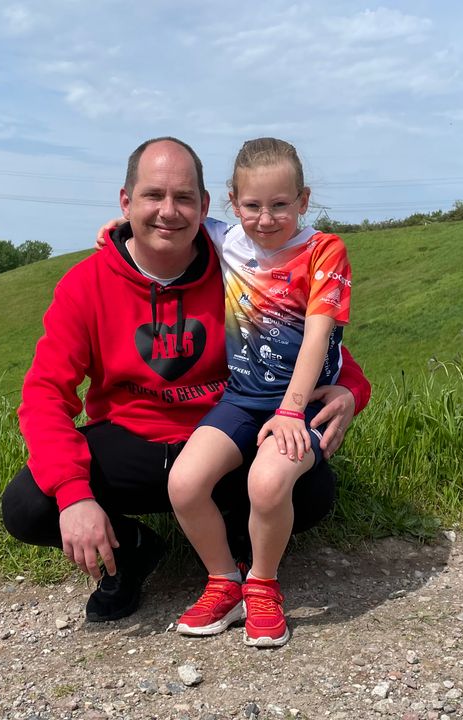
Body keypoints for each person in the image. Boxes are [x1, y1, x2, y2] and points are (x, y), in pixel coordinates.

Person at [1, 137, 371, 626]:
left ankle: (242, 557)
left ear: (207, 207)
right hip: (132, 443)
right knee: (30, 505)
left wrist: (351, 390)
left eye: (183, 199)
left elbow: (308, 342)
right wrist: (75, 494)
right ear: (125, 201)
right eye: (153, 196)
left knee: (312, 488)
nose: (168, 212)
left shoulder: (236, 259)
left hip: (225, 436)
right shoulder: (84, 283)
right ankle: (132, 551)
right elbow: (45, 395)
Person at [162, 137, 350, 648]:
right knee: (184, 483)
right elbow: (166, 221)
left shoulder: (323, 250)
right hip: (241, 397)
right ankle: (226, 581)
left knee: (267, 484)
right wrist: (113, 229)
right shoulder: (227, 240)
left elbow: (317, 335)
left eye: (280, 205)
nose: (265, 219)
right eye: (252, 206)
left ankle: (264, 585)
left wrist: (292, 411)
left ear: (304, 201)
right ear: (231, 203)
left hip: (303, 402)